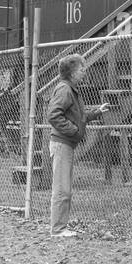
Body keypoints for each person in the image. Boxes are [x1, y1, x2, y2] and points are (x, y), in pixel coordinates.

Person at [45, 54, 110, 237]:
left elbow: (77, 115)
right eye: (82, 69)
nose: (84, 71)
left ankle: (60, 227)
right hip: (62, 144)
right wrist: (73, 131)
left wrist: (96, 112)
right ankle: (58, 229)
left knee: (64, 187)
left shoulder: (70, 89)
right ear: (72, 72)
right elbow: (53, 115)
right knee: (62, 188)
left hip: (65, 144)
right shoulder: (65, 90)